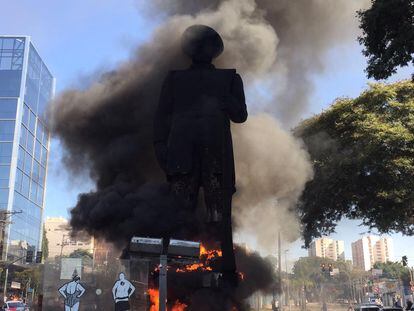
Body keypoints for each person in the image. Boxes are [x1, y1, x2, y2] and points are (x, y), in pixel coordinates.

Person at [154, 24, 247, 285]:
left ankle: (225, 272)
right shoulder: (174, 79)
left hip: (217, 156)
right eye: (196, 44)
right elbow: (160, 119)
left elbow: (240, 115)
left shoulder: (230, 79)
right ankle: (174, 272)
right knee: (180, 214)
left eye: (206, 44)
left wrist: (224, 100)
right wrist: (160, 148)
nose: (200, 49)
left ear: (215, 49)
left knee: (220, 216)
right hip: (181, 156)